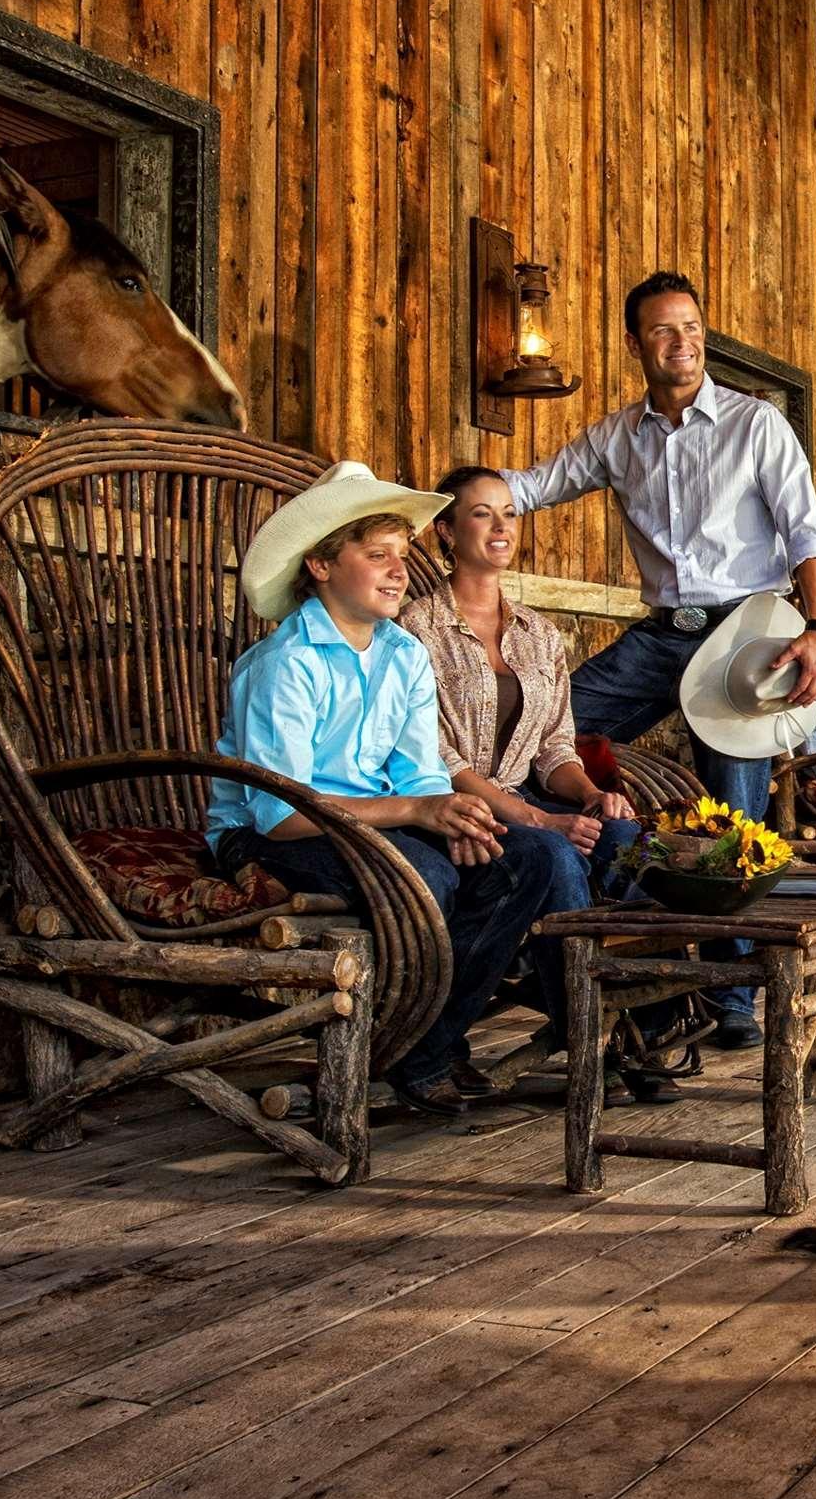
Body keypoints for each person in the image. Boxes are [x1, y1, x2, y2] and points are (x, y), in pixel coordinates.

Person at [504, 271, 816, 1050]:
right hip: (662, 637)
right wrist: (439, 500)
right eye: (663, 330)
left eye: (691, 327)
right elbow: (533, 486)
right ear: (636, 344)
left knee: (736, 812)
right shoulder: (616, 437)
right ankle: (602, 918)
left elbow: (807, 535)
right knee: (541, 724)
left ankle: (733, 994)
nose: (682, 342)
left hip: (745, 641)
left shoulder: (757, 426)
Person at [204, 463, 582, 1118]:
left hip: (375, 823)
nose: (398, 570)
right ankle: (418, 1050)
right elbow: (278, 812)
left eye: (403, 556)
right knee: (428, 875)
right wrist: (417, 813)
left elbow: (418, 774)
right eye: (375, 554)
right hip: (271, 837)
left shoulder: (402, 655)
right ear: (321, 566)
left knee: (532, 860)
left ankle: (425, 1044)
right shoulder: (285, 663)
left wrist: (452, 812)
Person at [396, 465, 679, 1105]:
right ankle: (589, 1038)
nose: (501, 527)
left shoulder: (539, 633)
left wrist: (586, 795)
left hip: (526, 797)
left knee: (630, 841)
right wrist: (537, 820)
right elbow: (433, 757)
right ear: (444, 531)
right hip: (451, 805)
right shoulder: (414, 630)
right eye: (480, 513)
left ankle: (647, 1023)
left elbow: (553, 748)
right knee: (554, 857)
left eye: (509, 513)